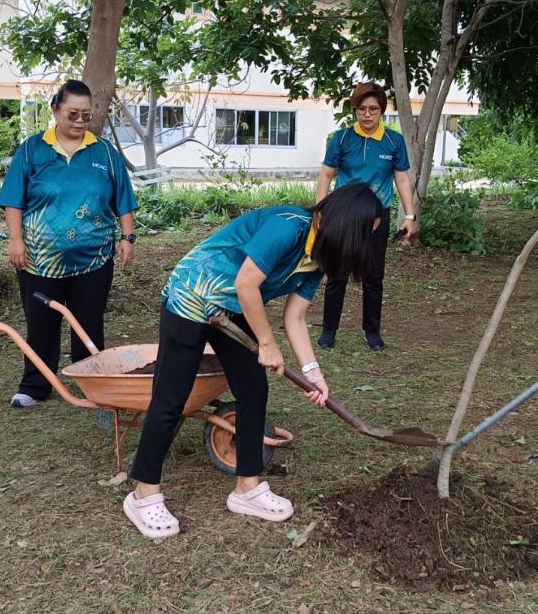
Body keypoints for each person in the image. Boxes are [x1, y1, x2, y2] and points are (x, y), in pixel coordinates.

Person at [123, 182, 383, 539]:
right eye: (366, 235)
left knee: (252, 390)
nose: (365, 246)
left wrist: (314, 374)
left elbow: (295, 318)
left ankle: (247, 488)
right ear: (349, 224)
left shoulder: (318, 258)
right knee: (173, 395)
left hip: (230, 307)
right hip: (193, 292)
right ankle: (143, 493)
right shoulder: (289, 225)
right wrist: (266, 343)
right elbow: (247, 283)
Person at [0, 80, 138, 408]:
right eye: (72, 113)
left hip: (94, 257)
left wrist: (128, 237)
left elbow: (124, 200)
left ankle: (93, 384)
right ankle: (35, 386)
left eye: (86, 116)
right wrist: (15, 241)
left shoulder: (104, 153)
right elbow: (13, 201)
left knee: (89, 321)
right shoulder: (32, 150)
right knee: (40, 323)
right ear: (55, 110)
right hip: (38, 257)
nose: (79, 120)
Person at [315, 82, 418, 352]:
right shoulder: (341, 138)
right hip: (343, 215)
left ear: (382, 110)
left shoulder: (393, 141)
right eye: (361, 109)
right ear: (355, 111)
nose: (367, 115)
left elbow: (402, 178)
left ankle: (372, 331)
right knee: (336, 275)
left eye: (373, 109)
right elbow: (327, 174)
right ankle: (328, 330)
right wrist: (320, 211)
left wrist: (409, 216)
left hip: (377, 216)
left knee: (374, 276)